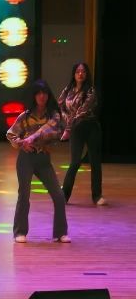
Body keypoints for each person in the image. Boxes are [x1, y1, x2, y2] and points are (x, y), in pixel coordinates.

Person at [7, 80, 69, 243]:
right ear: (34, 96)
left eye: (45, 93)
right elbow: (11, 134)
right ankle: (20, 232)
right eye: (39, 93)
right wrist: (22, 143)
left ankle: (60, 232)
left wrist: (37, 139)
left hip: (43, 159)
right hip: (26, 158)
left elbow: (54, 131)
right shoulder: (25, 116)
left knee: (58, 195)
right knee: (24, 194)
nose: (42, 96)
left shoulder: (53, 115)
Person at [60, 62, 104, 206]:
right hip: (75, 129)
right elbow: (60, 105)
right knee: (75, 162)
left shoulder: (90, 90)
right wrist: (67, 121)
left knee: (95, 162)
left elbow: (82, 111)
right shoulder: (68, 89)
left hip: (90, 127)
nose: (80, 74)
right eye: (78, 71)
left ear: (86, 74)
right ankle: (64, 195)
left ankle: (97, 196)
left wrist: (68, 128)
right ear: (74, 74)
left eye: (83, 71)